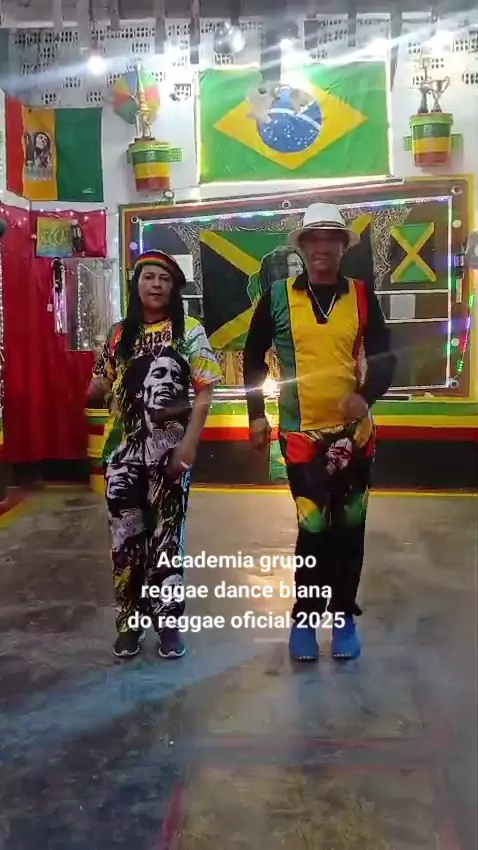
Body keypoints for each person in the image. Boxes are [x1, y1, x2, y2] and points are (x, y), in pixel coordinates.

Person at [243, 203, 396, 662]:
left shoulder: (362, 295)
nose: (323, 246)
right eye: (315, 238)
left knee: (350, 527)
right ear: (303, 246)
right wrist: (256, 414)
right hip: (301, 438)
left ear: (344, 247)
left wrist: (366, 396)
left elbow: (386, 356)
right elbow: (253, 355)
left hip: (355, 437)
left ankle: (343, 615)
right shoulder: (276, 297)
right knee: (312, 528)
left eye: (332, 238)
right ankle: (306, 618)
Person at [87, 250, 222, 660]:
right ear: (137, 284)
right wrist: (91, 386)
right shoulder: (118, 334)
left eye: (165, 278)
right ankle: (129, 623)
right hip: (122, 457)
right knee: (125, 541)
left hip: (171, 457)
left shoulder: (189, 331)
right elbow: (100, 384)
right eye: (149, 277)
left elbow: (205, 391)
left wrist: (190, 444)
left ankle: (168, 624)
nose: (157, 284)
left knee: (167, 540)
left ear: (174, 287)